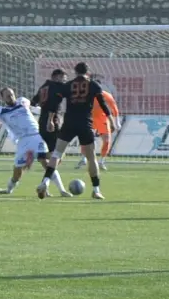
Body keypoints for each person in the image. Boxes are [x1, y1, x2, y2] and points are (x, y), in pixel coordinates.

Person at [37, 62, 114, 200]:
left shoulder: (68, 85)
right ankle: (96, 190)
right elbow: (103, 103)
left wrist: (50, 120)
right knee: (91, 158)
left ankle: (45, 182)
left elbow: (56, 103)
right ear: (87, 71)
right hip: (85, 123)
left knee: (56, 154)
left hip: (69, 123)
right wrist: (111, 120)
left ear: (75, 71)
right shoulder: (93, 85)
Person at [0, 84, 51, 196]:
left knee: (46, 162)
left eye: (12, 94)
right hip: (22, 141)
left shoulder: (22, 102)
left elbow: (35, 109)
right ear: (2, 98)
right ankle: (8, 190)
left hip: (36, 136)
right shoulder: (1, 111)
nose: (10, 97)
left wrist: (50, 114)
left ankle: (49, 187)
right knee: (17, 172)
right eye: (7, 96)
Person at [30, 68, 70, 197]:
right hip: (52, 122)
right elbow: (53, 103)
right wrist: (51, 120)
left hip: (42, 122)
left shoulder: (44, 86)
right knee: (57, 155)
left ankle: (45, 185)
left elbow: (33, 102)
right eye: (63, 78)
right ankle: (46, 184)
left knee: (45, 157)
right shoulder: (56, 86)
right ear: (56, 77)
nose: (64, 81)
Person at [80, 81, 119, 171]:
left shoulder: (106, 95)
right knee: (85, 139)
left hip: (102, 119)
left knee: (107, 141)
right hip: (89, 118)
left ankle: (101, 161)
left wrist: (117, 122)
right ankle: (83, 159)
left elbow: (114, 108)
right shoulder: (86, 95)